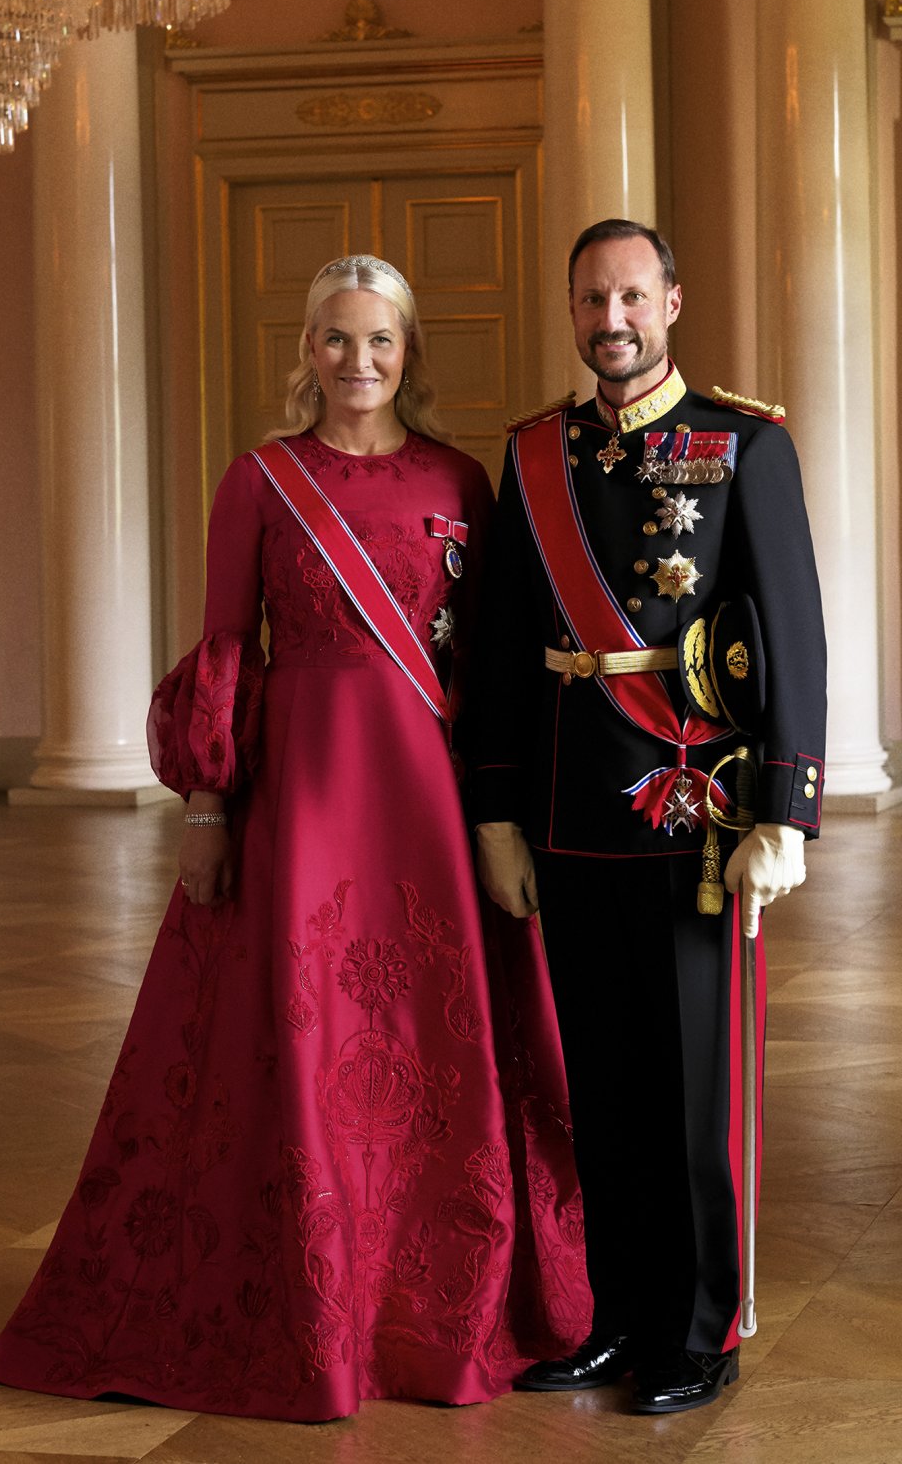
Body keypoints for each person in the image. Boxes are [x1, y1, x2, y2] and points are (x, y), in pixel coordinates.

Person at [0, 253, 591, 1421]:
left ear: (410, 354)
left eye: (380, 341)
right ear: (305, 350)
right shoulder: (259, 481)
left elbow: (493, 665)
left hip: (428, 807)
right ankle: (316, 1309)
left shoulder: (463, 482)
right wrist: (206, 810)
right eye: (335, 339)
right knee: (308, 1046)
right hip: (303, 810)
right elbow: (227, 649)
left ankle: (432, 1311)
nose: (357, 362)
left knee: (430, 1042)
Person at [467, 218, 826, 1416]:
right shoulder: (532, 457)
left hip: (698, 816)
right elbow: (505, 653)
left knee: (692, 1094)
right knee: (605, 1085)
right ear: (571, 311)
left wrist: (788, 808)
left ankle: (702, 1326)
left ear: (671, 300)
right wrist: (497, 815)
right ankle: (619, 1315)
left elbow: (796, 632)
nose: (608, 321)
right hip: (571, 811)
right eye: (588, 300)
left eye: (629, 297)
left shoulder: (744, 444)